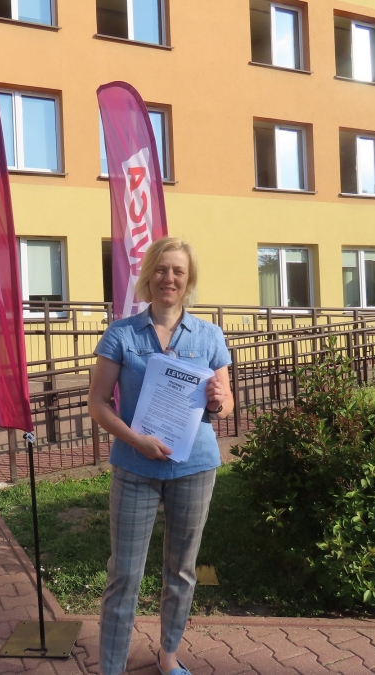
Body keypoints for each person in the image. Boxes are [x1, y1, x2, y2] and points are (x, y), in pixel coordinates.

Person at [88, 237, 235, 675]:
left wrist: (218, 401)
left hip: (195, 467)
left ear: (188, 280)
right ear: (148, 275)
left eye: (178, 271)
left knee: (182, 570)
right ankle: (111, 668)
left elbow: (226, 404)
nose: (169, 278)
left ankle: (168, 657)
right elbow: (98, 402)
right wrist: (136, 441)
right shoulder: (122, 334)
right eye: (161, 269)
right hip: (135, 467)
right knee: (124, 575)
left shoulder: (209, 335)